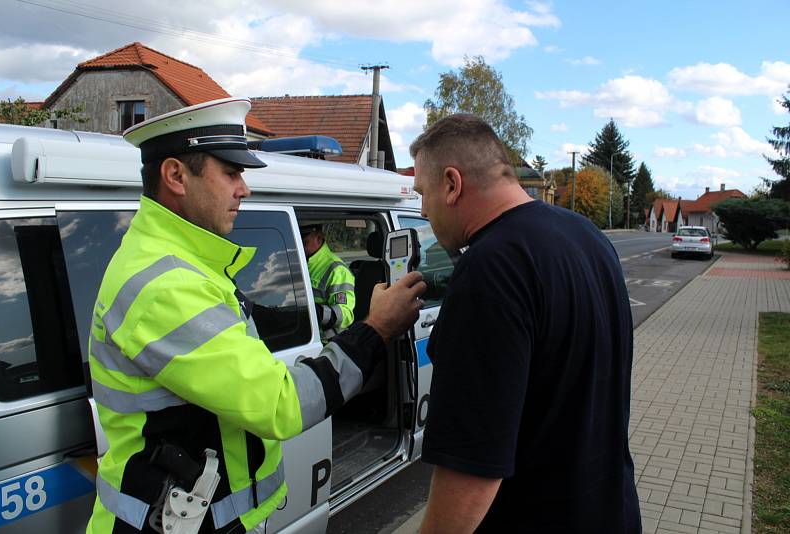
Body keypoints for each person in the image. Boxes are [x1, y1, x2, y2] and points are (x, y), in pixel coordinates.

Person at [85, 97, 425, 533]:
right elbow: (280, 405)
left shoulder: (179, 262)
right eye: (230, 172)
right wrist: (374, 329)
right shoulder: (164, 284)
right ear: (175, 176)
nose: (243, 188)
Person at [411, 114, 641, 533]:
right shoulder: (586, 235)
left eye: (422, 193)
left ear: (451, 183)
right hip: (612, 511)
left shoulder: (490, 269)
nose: (422, 209)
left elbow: (473, 467)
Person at [300, 223, 356, 341]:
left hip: (325, 344)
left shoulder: (337, 270)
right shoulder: (298, 261)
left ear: (319, 239)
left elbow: (345, 314)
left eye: (304, 243)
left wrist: (318, 312)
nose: (300, 247)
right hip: (302, 336)